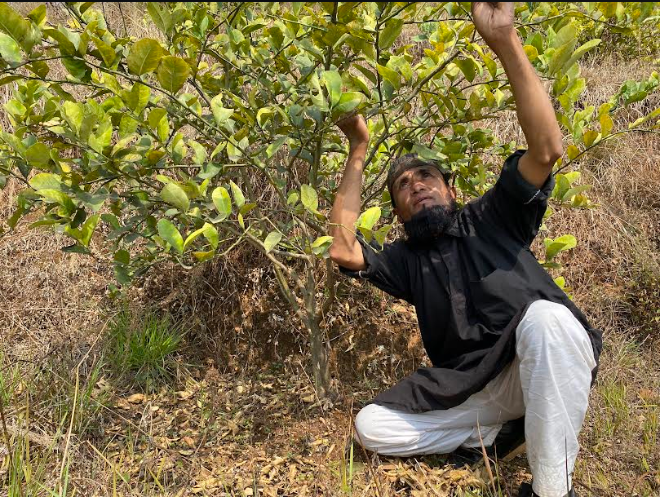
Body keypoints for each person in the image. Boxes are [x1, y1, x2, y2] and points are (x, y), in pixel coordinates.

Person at [328, 3, 603, 497]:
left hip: (539, 362)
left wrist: (504, 39)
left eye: (426, 176)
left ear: (450, 189)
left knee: (547, 319)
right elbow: (342, 248)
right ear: (398, 213)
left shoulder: (493, 217)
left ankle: (551, 490)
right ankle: (499, 434)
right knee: (371, 426)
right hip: (475, 389)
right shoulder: (405, 261)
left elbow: (546, 150)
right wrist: (358, 149)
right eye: (403, 185)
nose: (416, 185)